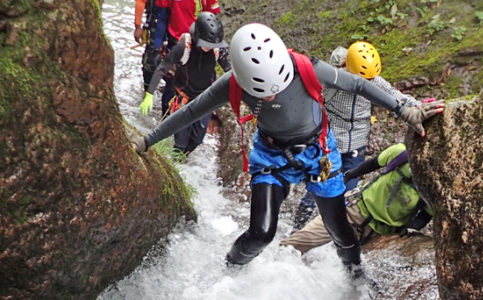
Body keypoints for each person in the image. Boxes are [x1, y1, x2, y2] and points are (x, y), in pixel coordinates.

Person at [132, 23, 443, 277]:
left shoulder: (307, 68)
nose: (269, 99)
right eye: (262, 95)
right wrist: (147, 141)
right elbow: (190, 112)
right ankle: (227, 274)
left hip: (319, 152)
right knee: (261, 233)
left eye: (275, 92)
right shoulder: (231, 83)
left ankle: (356, 278)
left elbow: (359, 85)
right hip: (271, 156)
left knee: (341, 231)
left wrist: (405, 110)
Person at [291, 41, 421, 230]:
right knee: (319, 187)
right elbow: (311, 95)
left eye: (371, 79)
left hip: (356, 145)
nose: (368, 83)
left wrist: (419, 107)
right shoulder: (334, 82)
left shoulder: (373, 80)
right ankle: (297, 228)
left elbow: (394, 95)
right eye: (364, 79)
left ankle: (334, 233)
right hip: (329, 144)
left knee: (349, 191)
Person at [281, 143, 432, 254]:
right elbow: (372, 163)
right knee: (295, 245)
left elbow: (427, 213)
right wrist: (348, 176)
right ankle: (267, 266)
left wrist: (412, 228)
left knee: (354, 273)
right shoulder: (401, 153)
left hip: (384, 232)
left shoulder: (437, 184)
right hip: (354, 210)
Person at [139, 12, 229, 155]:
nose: (210, 47)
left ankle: (183, 160)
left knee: (197, 140)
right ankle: (175, 162)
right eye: (208, 44)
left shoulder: (217, 50)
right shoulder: (184, 47)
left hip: (205, 99)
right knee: (180, 141)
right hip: (183, 99)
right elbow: (163, 67)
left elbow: (229, 70)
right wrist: (149, 93)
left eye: (213, 45)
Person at [154, 0, 221, 116]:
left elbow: (213, 18)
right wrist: (157, 45)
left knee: (193, 85)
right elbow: (162, 15)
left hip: (199, 47)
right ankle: (166, 122)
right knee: (171, 84)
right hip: (176, 42)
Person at [133, 0, 169, 89]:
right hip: (156, 22)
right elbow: (141, 2)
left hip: (174, 24)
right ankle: (148, 89)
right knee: (152, 57)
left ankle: (169, 86)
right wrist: (138, 26)